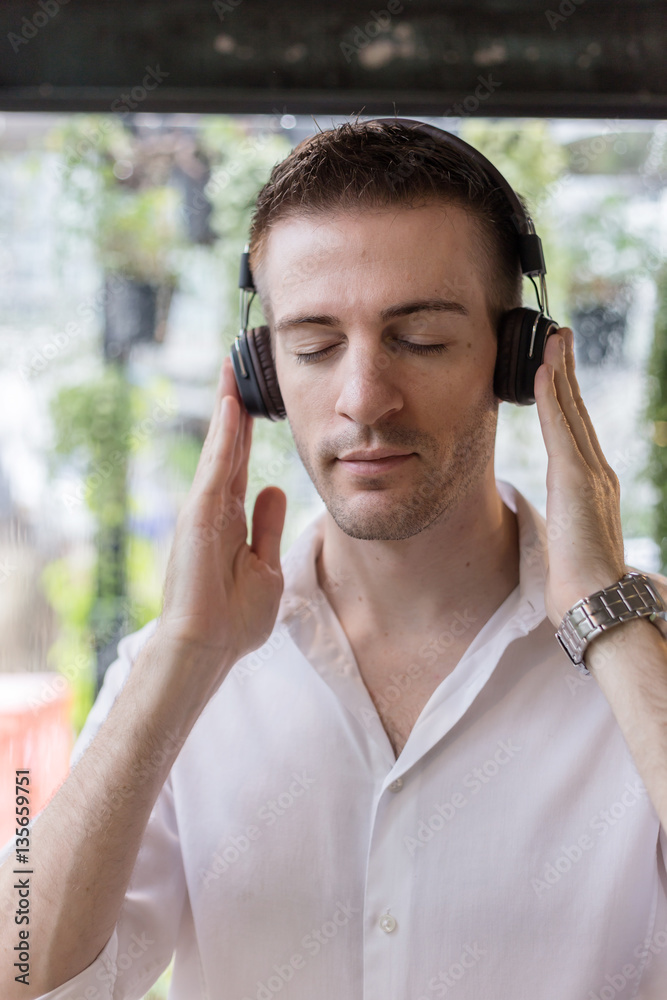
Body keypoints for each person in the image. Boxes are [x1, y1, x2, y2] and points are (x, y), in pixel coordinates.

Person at [2, 117, 667, 1000]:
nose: (363, 400)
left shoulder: (643, 661)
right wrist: (181, 658)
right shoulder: (177, 670)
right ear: (262, 372)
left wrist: (601, 616)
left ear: (517, 359)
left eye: (420, 340)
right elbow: (20, 970)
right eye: (314, 347)